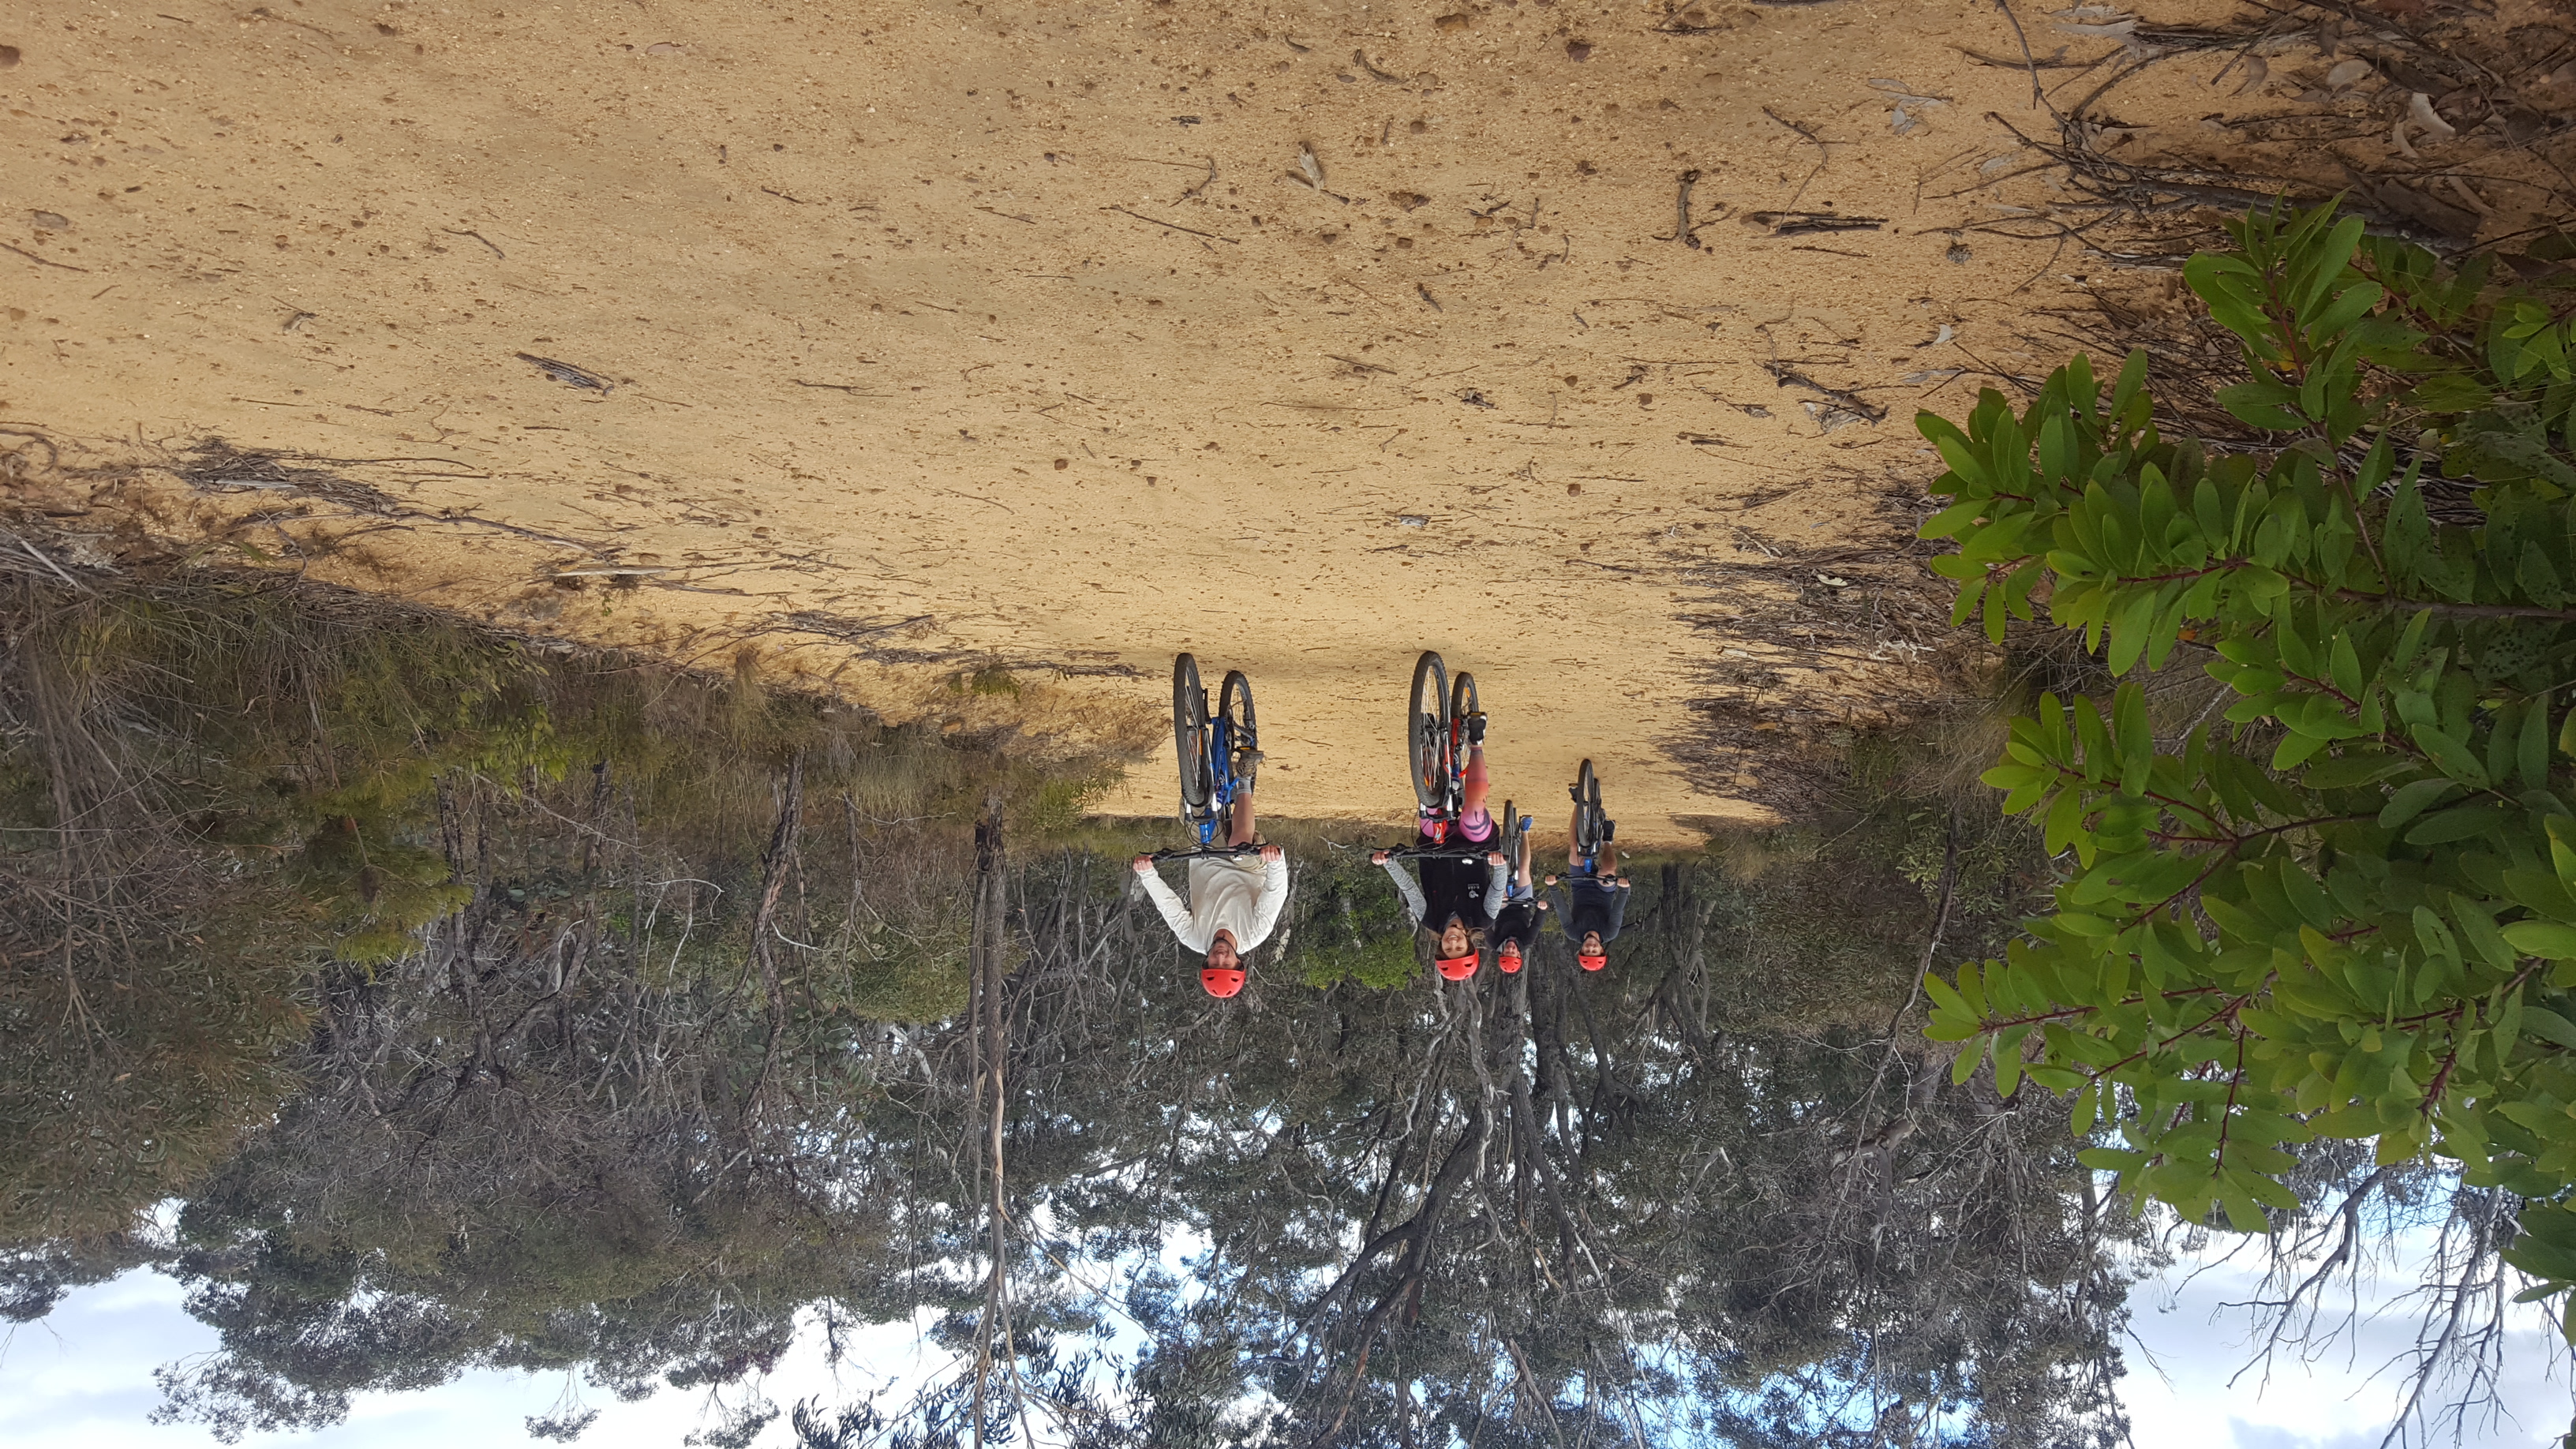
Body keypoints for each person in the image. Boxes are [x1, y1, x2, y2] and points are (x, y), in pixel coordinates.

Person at [1133, 758, 1286, 998]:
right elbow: (1275, 893)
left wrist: (1147, 874)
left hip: (1205, 852)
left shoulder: (1193, 938)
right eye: (1227, 965)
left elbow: (1169, 906)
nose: (1221, 957)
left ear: (1206, 963)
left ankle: (1194, 749)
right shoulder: (1256, 933)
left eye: (1215, 964)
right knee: (1238, 847)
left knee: (1194, 803)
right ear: (1239, 962)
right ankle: (1245, 777)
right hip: (1247, 863)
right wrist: (1275, 861)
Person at [1373, 845, 1509, 981]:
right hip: (1474, 847)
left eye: (1448, 949)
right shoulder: (1484, 919)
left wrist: (1388, 863)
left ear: (1441, 947)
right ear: (1469, 944)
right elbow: (1497, 889)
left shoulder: (1429, 919)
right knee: (1473, 824)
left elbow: (1409, 888)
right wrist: (1500, 865)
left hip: (1432, 849)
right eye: (1459, 947)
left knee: (1432, 825)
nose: (1453, 942)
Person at [1546, 796, 1629, 972]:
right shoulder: (1609, 932)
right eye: (1595, 951)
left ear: (1581, 949)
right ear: (1601, 949)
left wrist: (1553, 887)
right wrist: (1624, 890)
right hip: (1603, 891)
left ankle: (1578, 803)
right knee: (1609, 868)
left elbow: (1562, 909)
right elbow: (1617, 910)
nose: (1591, 947)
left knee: (1574, 849)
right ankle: (1607, 840)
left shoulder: (1573, 932)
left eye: (1587, 951)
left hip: (1580, 885)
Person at [1488, 822, 1549, 975]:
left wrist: (1494, 903)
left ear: (1502, 953)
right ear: (1519, 954)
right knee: (1523, 870)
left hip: (1503, 908)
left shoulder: (1494, 943)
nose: (1510, 949)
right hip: (1523, 904)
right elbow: (1536, 925)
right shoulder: (1526, 942)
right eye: (1513, 953)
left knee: (1499, 878)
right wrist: (1541, 910)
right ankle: (1525, 832)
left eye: (1506, 953)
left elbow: (1486, 924)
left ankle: (1497, 850)